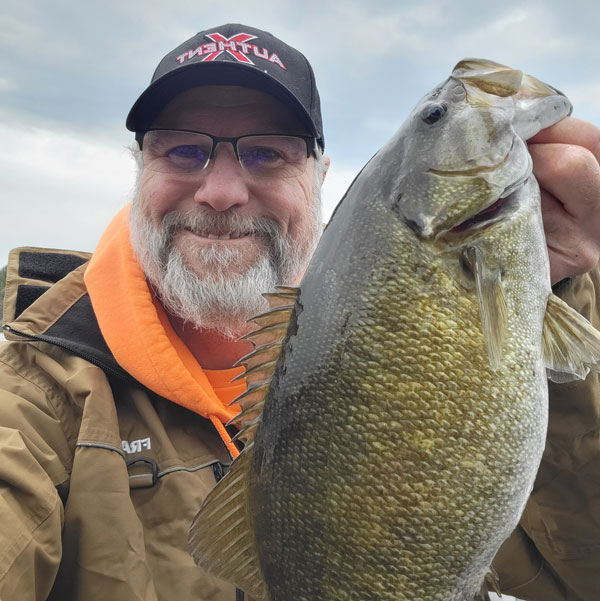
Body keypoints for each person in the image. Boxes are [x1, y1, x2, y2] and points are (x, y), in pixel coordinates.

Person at [0, 22, 598, 601]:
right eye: (183, 150)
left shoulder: (421, 323)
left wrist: (557, 287)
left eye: (267, 154)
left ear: (320, 177)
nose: (222, 192)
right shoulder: (31, 404)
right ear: (139, 171)